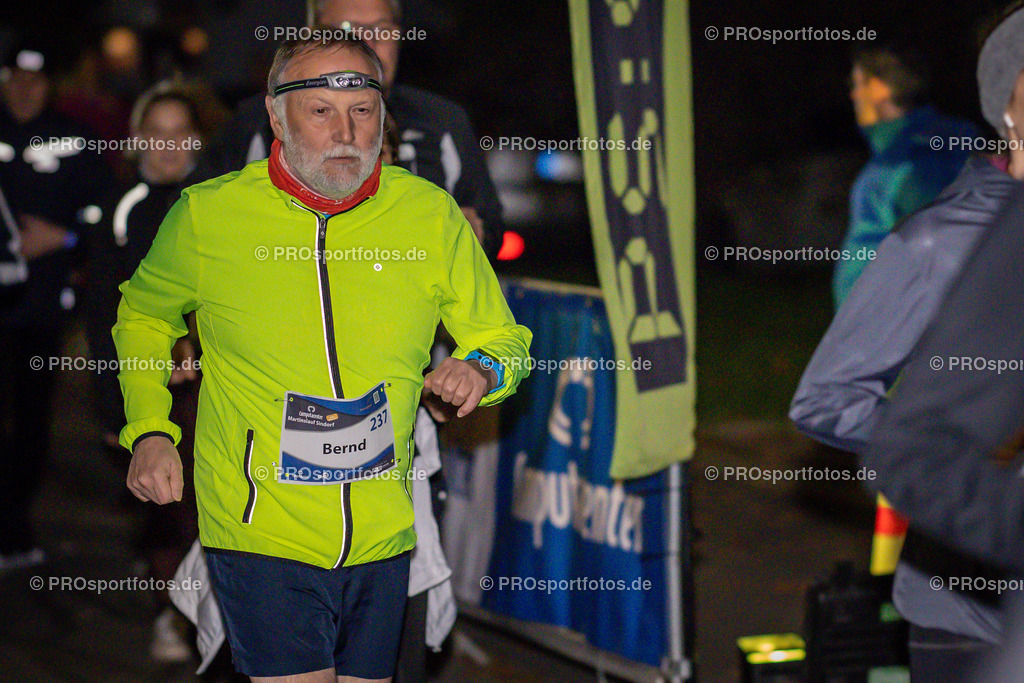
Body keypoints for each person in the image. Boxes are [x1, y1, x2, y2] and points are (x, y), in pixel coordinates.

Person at [114, 34, 531, 682]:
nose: (346, 131)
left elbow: (506, 339)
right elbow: (141, 315)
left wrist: (482, 369)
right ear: (276, 118)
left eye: (363, 111)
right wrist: (149, 429)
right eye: (321, 111)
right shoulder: (210, 214)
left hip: (385, 529)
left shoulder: (429, 216)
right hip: (260, 527)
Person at [790, 10, 1024, 679]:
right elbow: (826, 397)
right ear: (1005, 106)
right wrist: (959, 445)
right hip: (970, 614)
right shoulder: (935, 240)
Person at [199, 0, 505, 261]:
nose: (367, 44)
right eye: (347, 30)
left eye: (381, 30)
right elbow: (196, 220)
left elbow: (490, 226)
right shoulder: (257, 123)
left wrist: (474, 237)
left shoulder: (442, 122)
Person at [85, 80, 214, 663]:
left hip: (212, 388)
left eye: (178, 132)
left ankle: (206, 616)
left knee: (207, 507)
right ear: (137, 141)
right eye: (154, 132)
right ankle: (172, 612)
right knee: (163, 508)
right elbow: (104, 315)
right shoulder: (121, 207)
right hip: (148, 393)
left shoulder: (216, 203)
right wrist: (114, 407)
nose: (166, 145)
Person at [0, 38, 115, 570]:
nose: (24, 90)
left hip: (40, 307)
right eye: (13, 78)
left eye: (35, 80)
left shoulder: (77, 138)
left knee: (30, 418)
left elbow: (106, 211)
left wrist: (63, 238)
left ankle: (15, 528)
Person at [836, 45, 977, 305]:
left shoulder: (910, 163)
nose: (853, 95)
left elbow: (940, 255)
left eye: (858, 84)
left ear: (880, 89)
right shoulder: (914, 151)